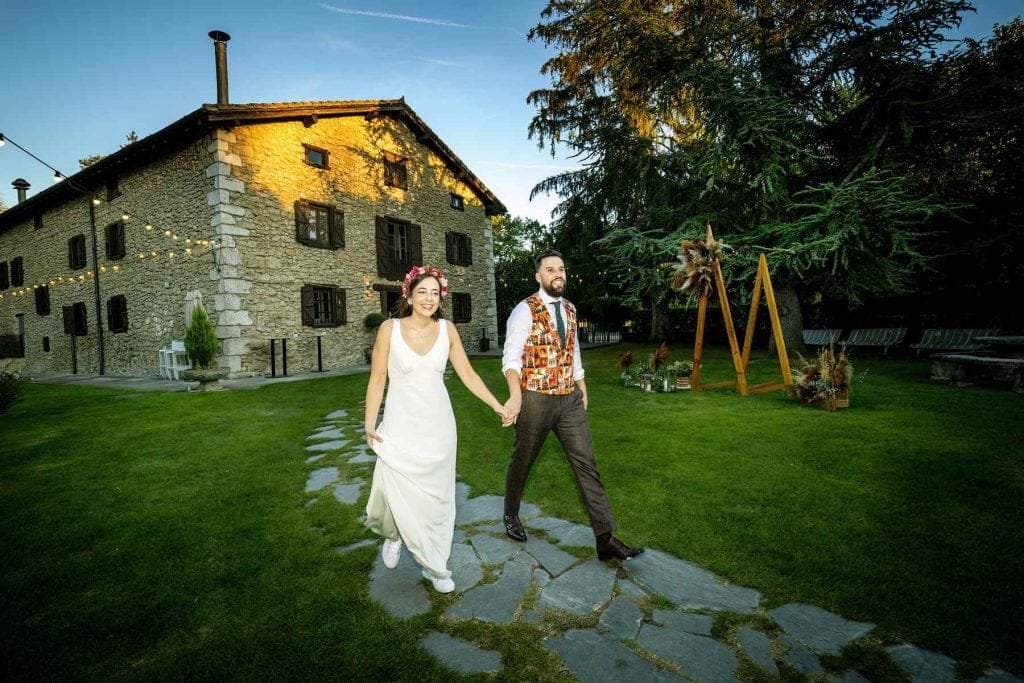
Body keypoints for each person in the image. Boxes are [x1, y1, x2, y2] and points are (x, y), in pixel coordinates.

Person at [363, 265, 509, 593]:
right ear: (409, 296)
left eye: (435, 293)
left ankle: (435, 565)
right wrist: (369, 423)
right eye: (422, 292)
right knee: (396, 486)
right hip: (401, 423)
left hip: (438, 425)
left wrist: (497, 405)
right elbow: (377, 377)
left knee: (438, 499)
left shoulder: (448, 330)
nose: (429, 299)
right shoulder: (389, 329)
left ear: (440, 297)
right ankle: (395, 535)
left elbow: (468, 374)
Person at [501, 250, 643, 561]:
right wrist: (515, 394)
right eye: (550, 269)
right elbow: (511, 357)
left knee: (586, 465)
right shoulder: (524, 310)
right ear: (538, 276)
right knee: (523, 460)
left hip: (569, 400)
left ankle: (605, 539)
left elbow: (573, 349)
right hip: (535, 398)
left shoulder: (569, 308)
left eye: (561, 269)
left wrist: (581, 383)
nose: (558, 274)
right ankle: (510, 514)